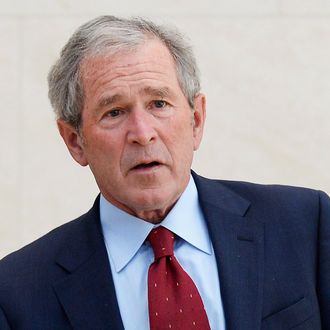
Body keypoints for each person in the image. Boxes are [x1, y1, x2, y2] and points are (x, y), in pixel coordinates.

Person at [0, 15, 329, 330]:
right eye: (114, 112)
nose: (143, 133)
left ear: (196, 120)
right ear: (75, 141)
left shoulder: (304, 224)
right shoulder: (18, 292)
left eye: (159, 103)